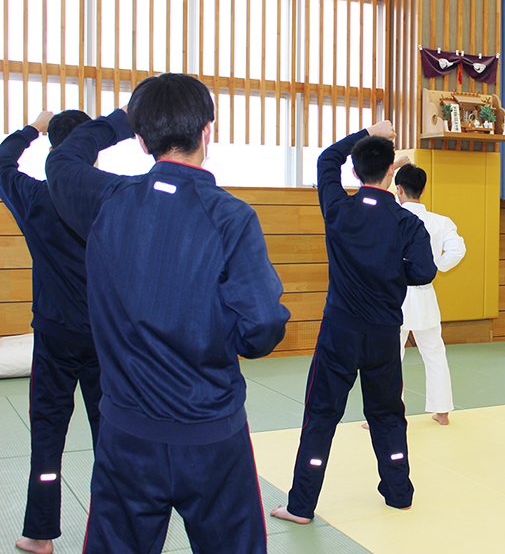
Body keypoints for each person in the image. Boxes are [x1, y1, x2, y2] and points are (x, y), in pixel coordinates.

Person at [44, 73, 290, 554]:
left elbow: (63, 159)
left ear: (140, 139)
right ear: (207, 132)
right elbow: (261, 326)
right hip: (213, 435)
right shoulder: (230, 216)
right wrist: (232, 340)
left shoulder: (105, 202)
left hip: (126, 436)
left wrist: (119, 120)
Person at [271, 122, 436, 525]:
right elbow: (425, 272)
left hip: (339, 333)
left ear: (357, 170)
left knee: (322, 416)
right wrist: (393, 270)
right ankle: (399, 494)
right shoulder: (407, 223)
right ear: (392, 172)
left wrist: (367, 131)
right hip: (383, 336)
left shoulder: (338, 209)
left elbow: (327, 159)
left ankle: (301, 506)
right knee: (387, 416)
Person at [0, 110, 99, 554]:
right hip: (106, 340)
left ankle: (39, 535)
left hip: (56, 338)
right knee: (114, 437)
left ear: (54, 149)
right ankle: (112, 529)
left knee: (48, 434)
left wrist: (31, 129)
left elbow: (1, 164)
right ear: (92, 148)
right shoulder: (112, 196)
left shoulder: (36, 198)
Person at [394, 159, 466, 425]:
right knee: (434, 352)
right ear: (422, 191)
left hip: (395, 296)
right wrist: (434, 267)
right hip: (424, 292)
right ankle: (442, 411)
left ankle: (388, 412)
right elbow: (458, 250)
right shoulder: (439, 221)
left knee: (391, 357)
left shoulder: (392, 217)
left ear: (399, 189)